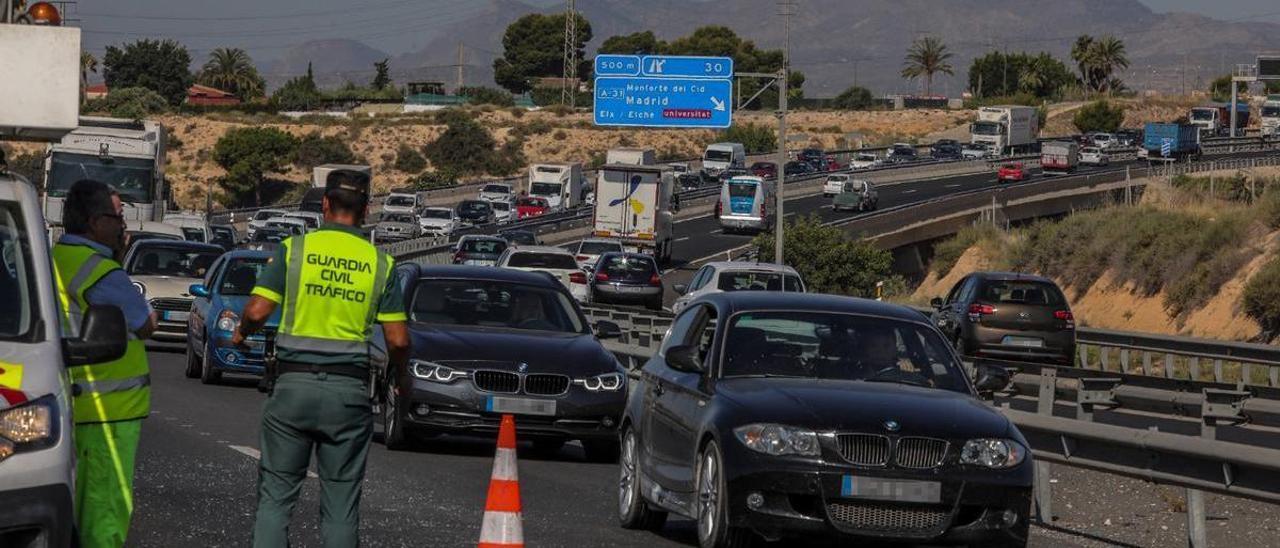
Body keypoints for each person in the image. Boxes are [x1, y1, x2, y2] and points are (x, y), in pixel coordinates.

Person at [234, 168, 410, 548]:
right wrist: (400, 376)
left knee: (276, 500)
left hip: (293, 387)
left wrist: (241, 332)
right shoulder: (381, 264)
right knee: (341, 506)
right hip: (348, 394)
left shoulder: (295, 250)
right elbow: (397, 339)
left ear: (325, 204)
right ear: (366, 210)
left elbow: (259, 310)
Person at [51, 179, 157, 548]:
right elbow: (145, 324)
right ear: (97, 221)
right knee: (104, 512)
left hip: (61, 402)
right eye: (117, 218)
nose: (122, 226)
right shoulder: (102, 272)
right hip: (108, 410)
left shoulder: (49, 260)